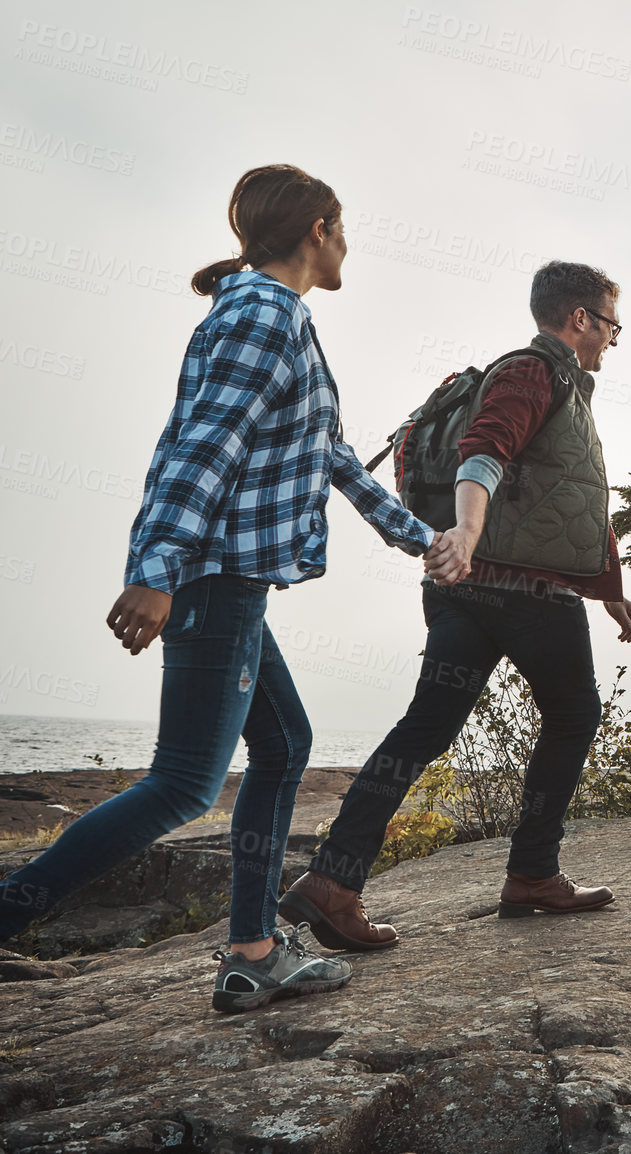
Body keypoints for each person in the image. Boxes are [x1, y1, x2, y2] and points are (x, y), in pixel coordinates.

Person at [0, 164, 444, 1012]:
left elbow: (334, 456)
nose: (349, 242)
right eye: (343, 225)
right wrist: (156, 572)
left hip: (229, 579)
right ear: (318, 228)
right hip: (211, 575)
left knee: (283, 746)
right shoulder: (261, 315)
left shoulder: (279, 319)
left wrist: (424, 539)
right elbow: (202, 449)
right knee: (182, 784)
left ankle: (251, 951)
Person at [280, 261, 631, 950]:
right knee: (574, 713)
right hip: (524, 594)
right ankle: (534, 872)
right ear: (580, 320)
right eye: (612, 325)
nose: (614, 340)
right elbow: (484, 455)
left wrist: (611, 592)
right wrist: (467, 534)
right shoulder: (534, 374)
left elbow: (565, 503)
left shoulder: (554, 384)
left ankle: (332, 881)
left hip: (465, 594)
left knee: (425, 728)